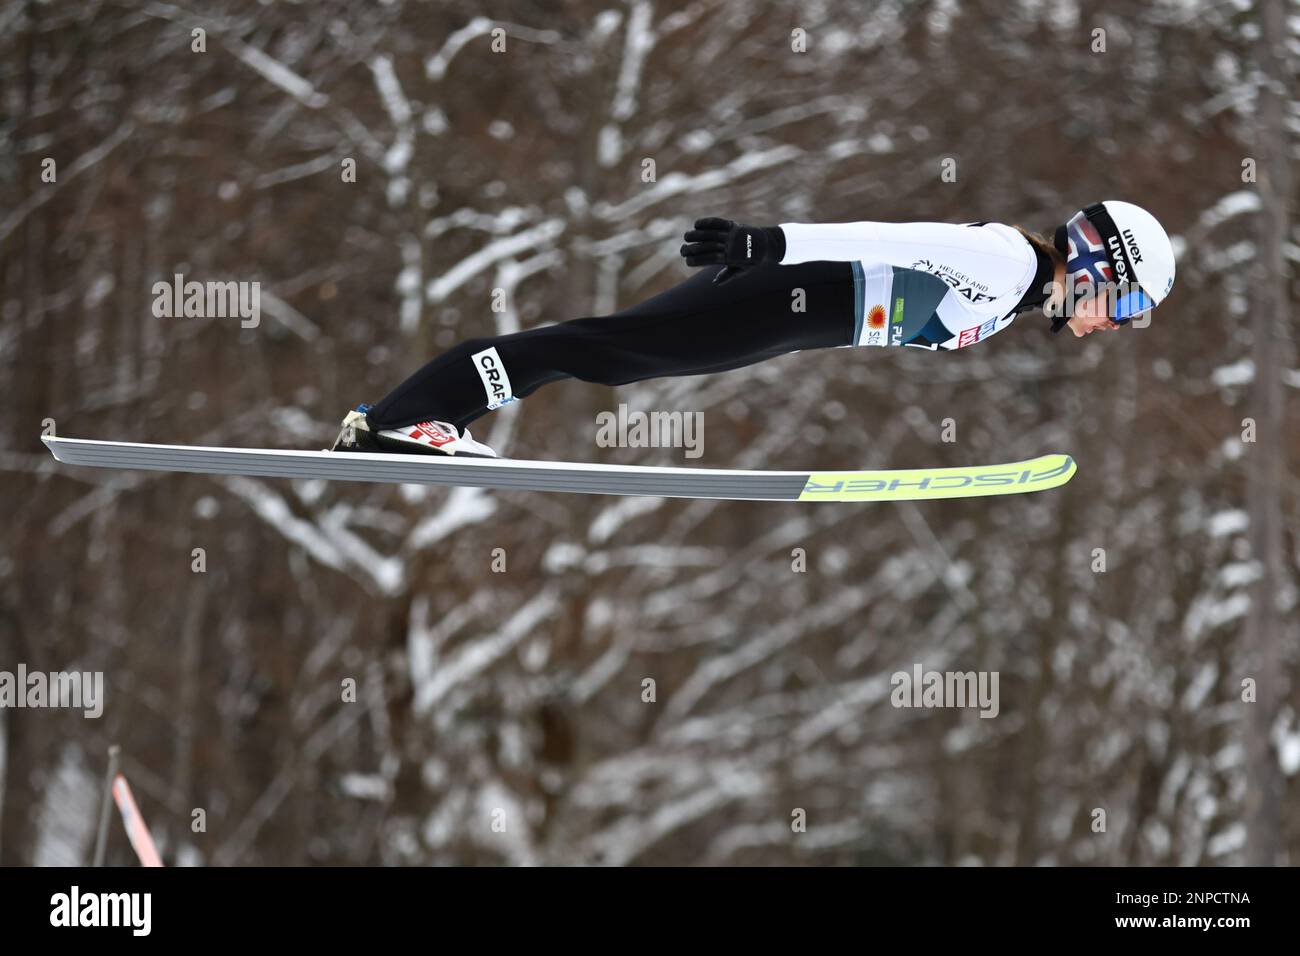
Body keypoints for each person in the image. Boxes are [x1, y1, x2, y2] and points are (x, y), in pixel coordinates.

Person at [330, 201, 1176, 458]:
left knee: (610, 352)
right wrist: (767, 245)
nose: (1114, 326)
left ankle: (400, 422)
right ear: (1099, 264)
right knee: (607, 350)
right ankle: (411, 420)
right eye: (1127, 306)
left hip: (789, 311)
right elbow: (886, 236)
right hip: (788, 290)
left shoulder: (1020, 289)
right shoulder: (1007, 266)